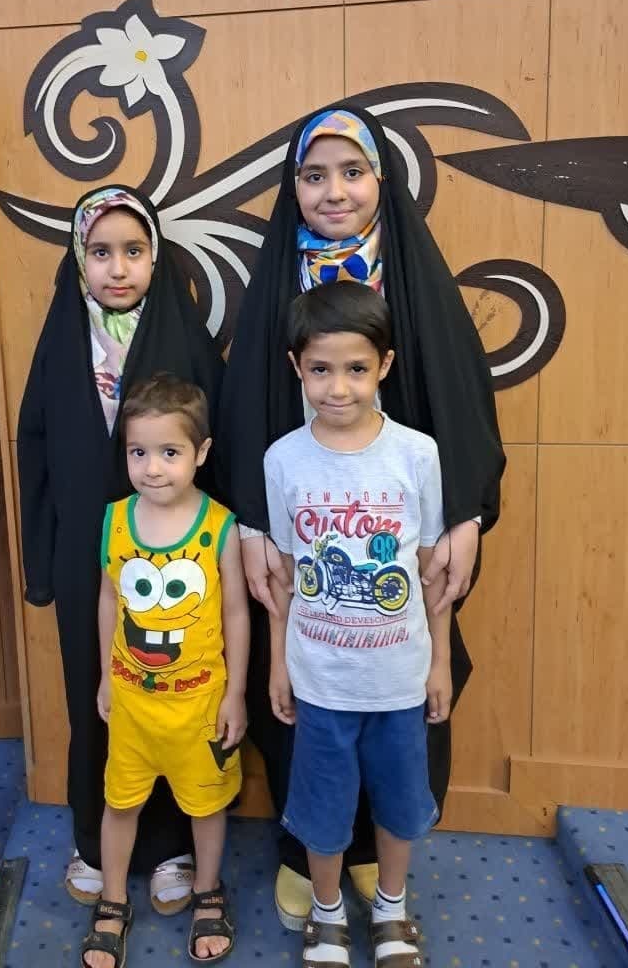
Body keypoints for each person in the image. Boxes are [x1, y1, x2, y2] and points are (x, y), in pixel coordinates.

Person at [215, 105, 504, 927]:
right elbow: (246, 410)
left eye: (352, 172)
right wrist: (252, 525)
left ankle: (382, 856)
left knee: (400, 693)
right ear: (293, 187)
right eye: (314, 176)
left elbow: (462, 405)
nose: (333, 191)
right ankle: (306, 856)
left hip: (401, 536)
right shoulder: (279, 276)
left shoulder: (413, 276)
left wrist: (465, 516)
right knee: (302, 695)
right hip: (302, 532)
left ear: (382, 179)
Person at [18, 186, 226, 914]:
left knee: (173, 700)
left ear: (155, 258)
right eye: (100, 252)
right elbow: (36, 449)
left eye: (133, 251)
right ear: (79, 261)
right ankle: (92, 835)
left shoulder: (183, 337)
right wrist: (41, 562)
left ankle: (169, 847)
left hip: (177, 560)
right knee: (98, 695)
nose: (117, 267)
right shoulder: (62, 338)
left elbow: (220, 450)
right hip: (88, 560)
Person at [265, 282, 451, 968]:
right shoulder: (283, 460)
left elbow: (432, 571)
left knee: (400, 804)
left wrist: (440, 662)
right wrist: (277, 663)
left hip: (400, 678)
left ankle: (392, 908)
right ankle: (327, 912)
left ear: (385, 365)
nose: (338, 387)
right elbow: (284, 576)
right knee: (321, 808)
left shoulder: (417, 454)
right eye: (320, 369)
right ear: (297, 367)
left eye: (356, 368)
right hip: (320, 680)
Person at [82, 374, 248, 967]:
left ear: (201, 453)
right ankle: (112, 899)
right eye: (138, 452)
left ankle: (207, 892)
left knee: (206, 806)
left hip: (200, 705)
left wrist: (235, 695)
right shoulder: (114, 520)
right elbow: (109, 599)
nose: (152, 468)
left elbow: (236, 613)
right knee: (119, 803)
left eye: (169, 452)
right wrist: (106, 675)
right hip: (132, 704)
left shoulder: (220, 526)